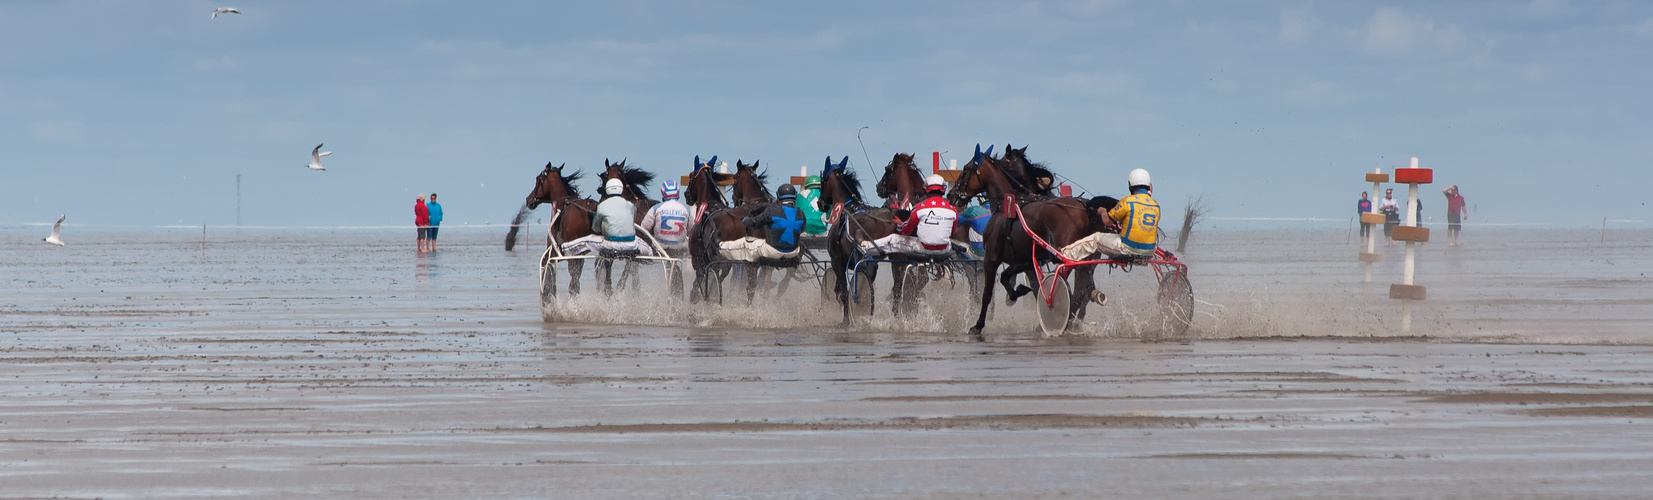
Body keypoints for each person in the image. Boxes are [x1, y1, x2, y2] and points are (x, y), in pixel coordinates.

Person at [861, 175, 959, 257]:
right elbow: (952, 231)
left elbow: (906, 230)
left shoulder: (919, 208)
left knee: (893, 239)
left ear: (926, 189)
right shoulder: (953, 210)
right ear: (943, 189)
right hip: (944, 250)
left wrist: (899, 224)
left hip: (923, 249)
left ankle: (866, 247)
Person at [741, 184, 807, 262]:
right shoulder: (801, 213)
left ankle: (748, 271)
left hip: (772, 252)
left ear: (778, 196)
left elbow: (754, 223)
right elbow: (801, 230)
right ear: (795, 196)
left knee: (747, 245)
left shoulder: (771, 210)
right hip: (793, 252)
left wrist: (745, 220)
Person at [641, 180, 692, 254]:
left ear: (663, 193)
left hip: (659, 247)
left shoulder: (656, 208)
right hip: (680, 247)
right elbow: (691, 231)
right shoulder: (686, 209)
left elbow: (644, 228)